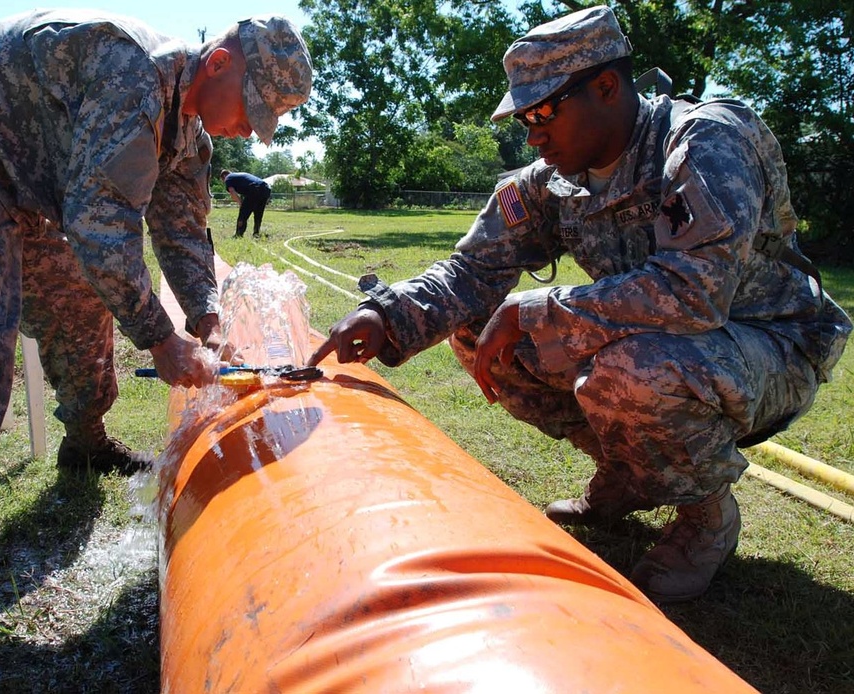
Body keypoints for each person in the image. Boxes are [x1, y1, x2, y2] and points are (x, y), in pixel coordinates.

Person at [310, 6, 850, 606]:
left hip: (770, 344)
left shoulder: (705, 141)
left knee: (631, 366)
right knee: (479, 326)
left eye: (543, 112)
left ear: (607, 87)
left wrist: (539, 309)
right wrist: (389, 314)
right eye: (523, 119)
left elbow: (694, 292)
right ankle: (623, 474)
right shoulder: (549, 181)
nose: (532, 132)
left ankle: (707, 518)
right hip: (661, 344)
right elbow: (473, 271)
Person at [0, 9, 312, 693]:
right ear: (218, 63)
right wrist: (161, 338)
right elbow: (100, 222)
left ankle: (87, 438)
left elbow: (183, 237)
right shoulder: (131, 68)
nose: (250, 128)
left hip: (26, 183)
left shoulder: (191, 138)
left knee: (80, 297)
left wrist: (208, 317)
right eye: (249, 109)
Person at [220, 168, 273, 237]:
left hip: (254, 189)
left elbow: (232, 192)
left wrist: (240, 203)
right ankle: (256, 233)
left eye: (223, 180)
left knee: (243, 214)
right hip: (265, 188)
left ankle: (239, 234)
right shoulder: (239, 176)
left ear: (224, 176)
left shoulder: (228, 178)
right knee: (258, 213)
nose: (224, 182)